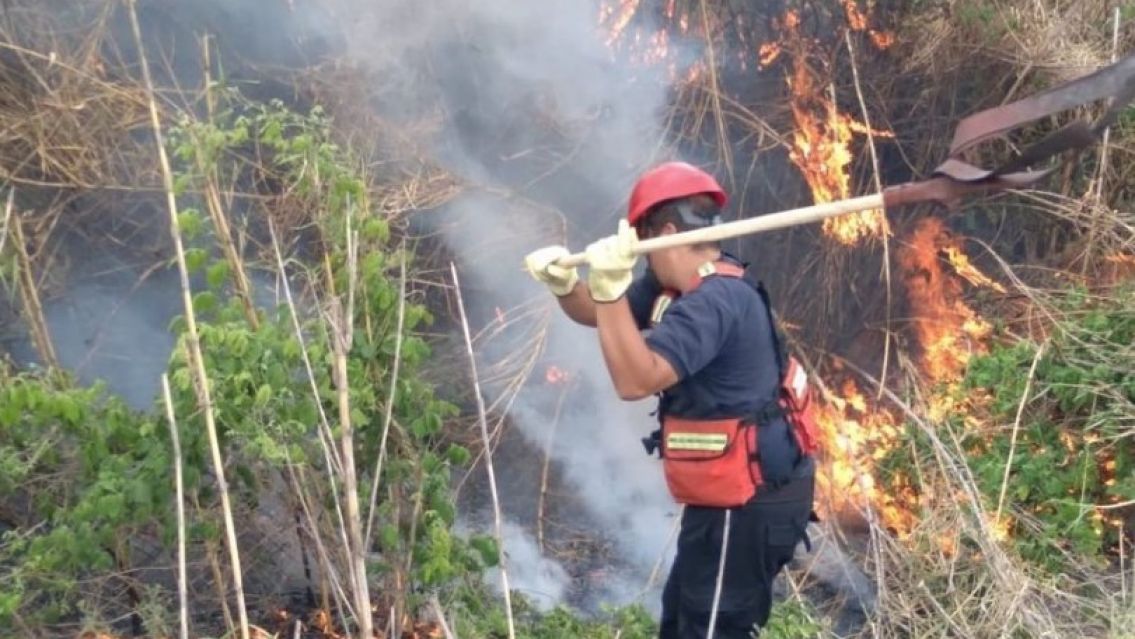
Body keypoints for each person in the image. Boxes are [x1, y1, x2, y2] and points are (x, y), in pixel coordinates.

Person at [523, 161, 817, 638]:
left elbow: (636, 380)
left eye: (640, 237)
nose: (639, 254)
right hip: (724, 494)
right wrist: (564, 287)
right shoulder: (670, 286)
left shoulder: (716, 300)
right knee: (683, 617)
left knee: (712, 628)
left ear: (665, 231)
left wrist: (610, 289)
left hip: (747, 503)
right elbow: (604, 314)